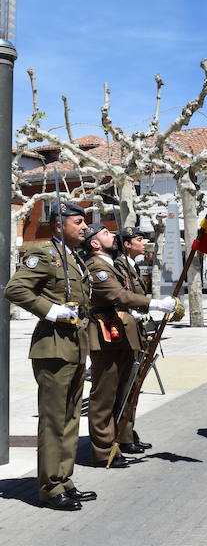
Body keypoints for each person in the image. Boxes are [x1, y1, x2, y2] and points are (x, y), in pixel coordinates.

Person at [4, 201, 96, 510]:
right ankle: (49, 487)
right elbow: (15, 290)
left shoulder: (75, 258)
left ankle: (64, 479)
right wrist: (51, 311)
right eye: (78, 222)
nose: (84, 227)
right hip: (53, 348)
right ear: (59, 225)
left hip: (74, 346)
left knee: (70, 419)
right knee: (53, 420)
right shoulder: (44, 255)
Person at [82, 224, 176, 468]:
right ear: (94, 243)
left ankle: (117, 441)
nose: (112, 235)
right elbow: (118, 296)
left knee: (122, 392)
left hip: (120, 333)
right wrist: (155, 304)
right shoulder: (97, 267)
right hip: (105, 334)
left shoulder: (110, 264)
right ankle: (104, 452)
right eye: (105, 233)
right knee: (105, 396)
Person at [113, 226, 158, 455]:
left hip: (138, 331)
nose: (144, 242)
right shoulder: (119, 266)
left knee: (134, 386)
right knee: (127, 386)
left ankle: (129, 432)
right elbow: (121, 297)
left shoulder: (133, 266)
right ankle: (124, 435)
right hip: (126, 332)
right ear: (127, 244)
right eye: (139, 239)